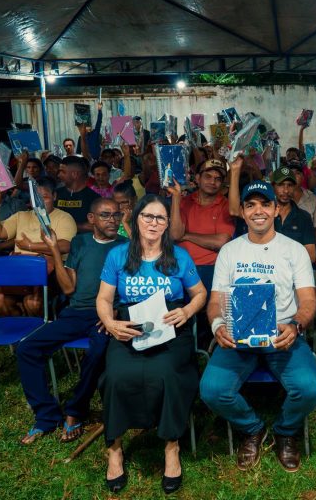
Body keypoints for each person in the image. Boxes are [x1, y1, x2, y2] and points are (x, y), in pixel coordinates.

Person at [200, 180, 316, 473]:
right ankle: (252, 428)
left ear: (276, 209)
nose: (258, 211)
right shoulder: (230, 252)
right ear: (242, 211)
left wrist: (296, 325)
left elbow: (308, 299)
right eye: (251, 205)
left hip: (282, 335)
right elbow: (215, 301)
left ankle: (285, 431)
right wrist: (218, 326)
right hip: (238, 336)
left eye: (265, 204)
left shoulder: (294, 251)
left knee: (310, 389)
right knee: (212, 390)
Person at [96, 194, 206, 494]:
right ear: (136, 219)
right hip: (128, 325)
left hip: (170, 324)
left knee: (167, 374)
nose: (153, 223)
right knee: (116, 377)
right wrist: (110, 323)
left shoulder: (180, 256)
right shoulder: (118, 255)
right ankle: (115, 448)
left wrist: (186, 310)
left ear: (168, 223)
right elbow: (104, 298)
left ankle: (171, 446)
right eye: (147, 216)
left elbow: (200, 294)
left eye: (160, 218)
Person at [16, 198, 126, 445]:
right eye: (106, 215)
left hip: (106, 314)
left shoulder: (126, 246)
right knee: (27, 348)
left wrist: (116, 311)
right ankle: (46, 415)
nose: (112, 220)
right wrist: (54, 248)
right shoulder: (80, 243)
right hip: (76, 312)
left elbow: (131, 287)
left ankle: (76, 410)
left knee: (98, 352)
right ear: (91, 219)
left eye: (116, 215)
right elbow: (67, 288)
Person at [0, 177, 77, 317]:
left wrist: (29, 246)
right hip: (19, 273)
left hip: (50, 276)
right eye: (36, 198)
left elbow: (65, 246)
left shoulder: (64, 217)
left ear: (54, 196)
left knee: (33, 303)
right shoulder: (21, 216)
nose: (39, 202)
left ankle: (35, 332)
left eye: (44, 197)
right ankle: (21, 325)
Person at [169, 158, 235, 349]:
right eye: (207, 176)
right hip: (180, 266)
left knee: (207, 300)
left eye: (217, 178)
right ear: (197, 178)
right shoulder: (183, 201)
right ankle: (181, 344)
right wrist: (175, 198)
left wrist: (187, 235)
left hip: (210, 267)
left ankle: (205, 345)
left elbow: (220, 242)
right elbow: (174, 234)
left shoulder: (224, 205)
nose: (212, 181)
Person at [286, 158, 316, 245]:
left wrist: (309, 244)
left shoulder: (312, 199)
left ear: (302, 177)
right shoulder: (279, 197)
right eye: (290, 173)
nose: (293, 176)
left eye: (297, 173)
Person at [56, 156, 101, 233]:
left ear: (74, 174)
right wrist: (81, 226)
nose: (58, 175)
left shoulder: (94, 198)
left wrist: (64, 225)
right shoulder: (55, 194)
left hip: (83, 243)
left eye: (62, 172)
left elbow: (97, 226)